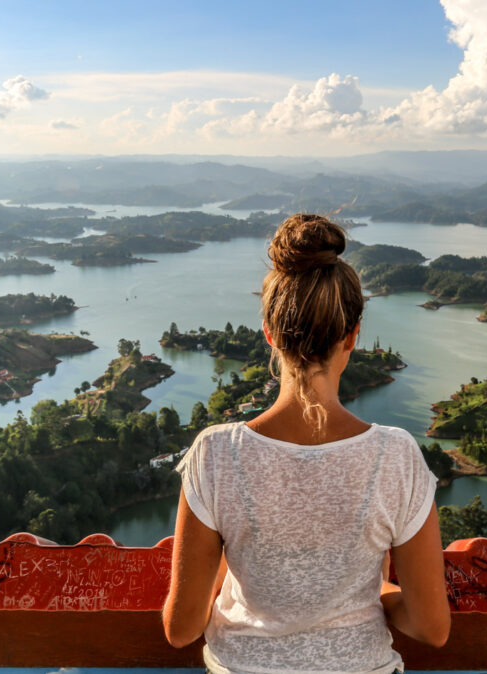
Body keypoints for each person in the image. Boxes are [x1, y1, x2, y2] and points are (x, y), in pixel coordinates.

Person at [162, 213, 449, 673]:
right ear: (353, 336)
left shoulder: (215, 454)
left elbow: (181, 629)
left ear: (270, 335)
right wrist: (376, 593)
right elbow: (431, 627)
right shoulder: (396, 456)